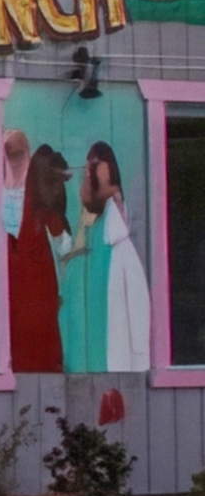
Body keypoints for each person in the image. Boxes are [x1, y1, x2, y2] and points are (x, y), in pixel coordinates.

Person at [82, 141, 154, 376]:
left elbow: (97, 198)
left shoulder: (113, 190)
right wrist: (86, 174)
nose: (96, 168)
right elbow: (88, 203)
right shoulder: (96, 196)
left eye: (99, 163)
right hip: (108, 262)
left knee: (127, 314)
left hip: (123, 261)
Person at [8, 145, 70, 375]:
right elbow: (65, 246)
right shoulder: (43, 215)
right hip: (37, 293)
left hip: (32, 295)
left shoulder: (27, 208)